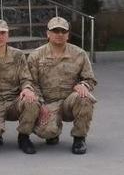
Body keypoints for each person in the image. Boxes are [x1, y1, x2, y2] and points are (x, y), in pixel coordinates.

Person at [27, 16, 97, 155]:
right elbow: (31, 82)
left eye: (63, 31)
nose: (59, 34)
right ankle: (53, 133)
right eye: (55, 31)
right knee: (46, 131)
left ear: (67, 35)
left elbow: (90, 79)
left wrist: (83, 85)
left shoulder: (79, 54)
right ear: (48, 33)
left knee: (85, 98)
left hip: (70, 102)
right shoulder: (36, 55)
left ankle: (79, 138)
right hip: (48, 102)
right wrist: (41, 104)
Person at [0, 19, 40, 154]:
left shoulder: (18, 55)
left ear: (8, 35)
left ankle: (24, 137)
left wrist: (27, 88)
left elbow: (26, 78)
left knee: (31, 101)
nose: (0, 36)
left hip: (14, 101)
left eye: (3, 33)